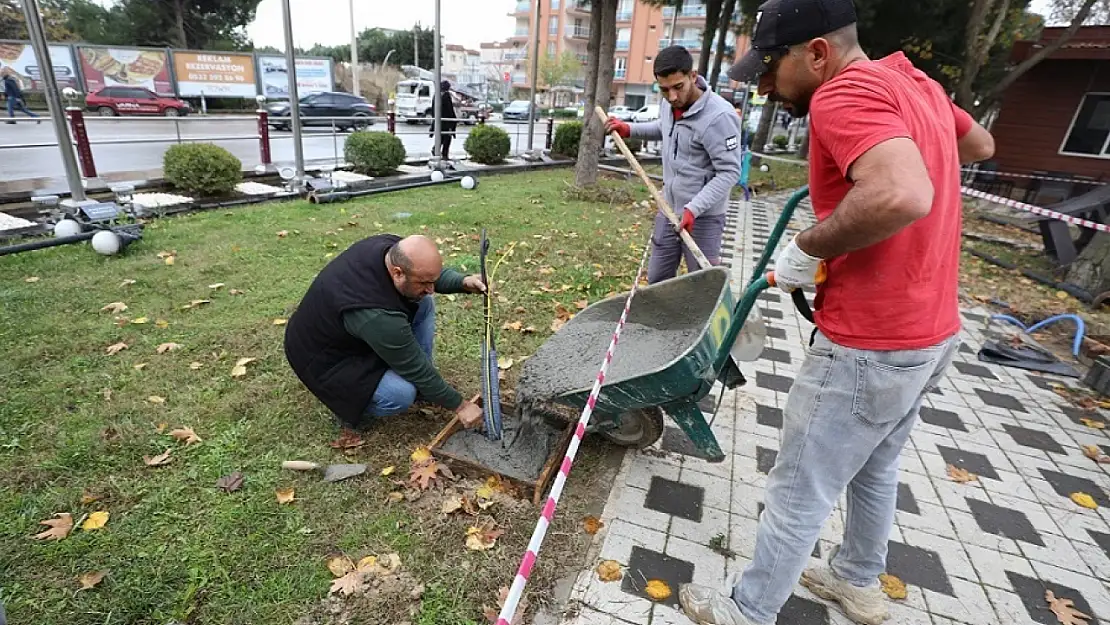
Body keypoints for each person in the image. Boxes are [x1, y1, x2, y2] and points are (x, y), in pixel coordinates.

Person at [677, 0, 995, 624]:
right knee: (876, 464)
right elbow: (979, 144)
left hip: (871, 341)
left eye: (770, 69)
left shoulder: (841, 94)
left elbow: (901, 192)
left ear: (818, 53)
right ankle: (856, 580)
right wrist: (907, 153)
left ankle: (748, 610)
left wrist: (806, 246)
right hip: (931, 333)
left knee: (801, 484)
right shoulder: (915, 81)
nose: (764, 86)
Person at [284, 234, 486, 431]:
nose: (431, 288)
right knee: (401, 394)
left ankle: (425, 388)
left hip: (347, 333)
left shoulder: (390, 249)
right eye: (424, 283)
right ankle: (354, 405)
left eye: (432, 281)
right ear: (398, 273)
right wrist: (461, 406)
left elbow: (426, 276)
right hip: (324, 360)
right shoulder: (376, 316)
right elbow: (414, 367)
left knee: (423, 301)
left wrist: (462, 282)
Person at [604, 46, 741, 283]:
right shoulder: (670, 104)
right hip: (668, 209)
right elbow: (663, 128)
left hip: (703, 217)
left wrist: (694, 209)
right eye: (664, 90)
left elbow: (730, 172)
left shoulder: (719, 116)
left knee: (702, 284)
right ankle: (660, 321)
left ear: (693, 76)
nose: (672, 97)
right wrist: (629, 129)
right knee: (658, 279)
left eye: (678, 87)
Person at [433, 80, 457, 160]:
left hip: (438, 121)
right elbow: (450, 110)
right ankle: (444, 155)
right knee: (447, 138)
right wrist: (454, 120)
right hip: (446, 121)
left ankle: (436, 150)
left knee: (440, 138)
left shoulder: (435, 96)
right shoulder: (446, 96)